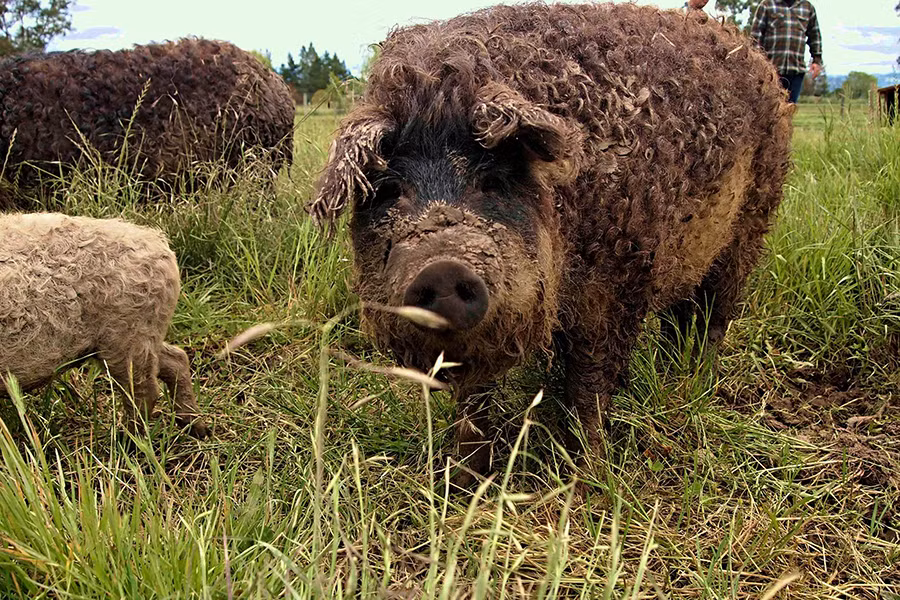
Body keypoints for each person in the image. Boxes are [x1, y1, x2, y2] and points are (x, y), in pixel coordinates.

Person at [750, 0, 823, 103]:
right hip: (770, 72)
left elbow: (815, 35)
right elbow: (755, 37)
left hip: (796, 71)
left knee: (789, 110)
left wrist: (816, 59)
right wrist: (757, 63)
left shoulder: (807, 7)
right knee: (769, 110)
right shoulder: (767, 5)